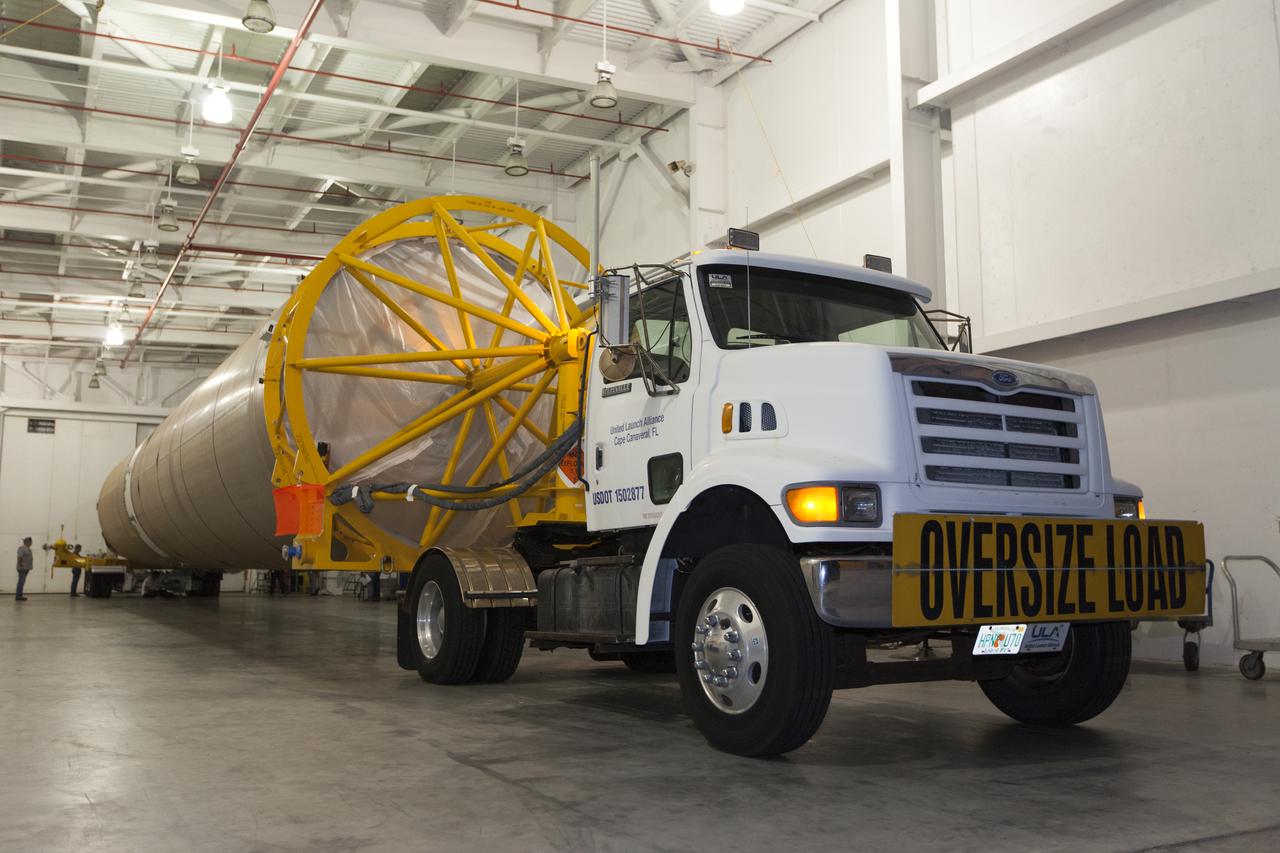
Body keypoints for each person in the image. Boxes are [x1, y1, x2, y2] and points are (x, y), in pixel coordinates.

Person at [15, 537, 33, 602]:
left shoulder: (28, 549)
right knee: (21, 582)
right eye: (30, 541)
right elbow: (20, 557)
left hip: (26, 568)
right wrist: (21, 565)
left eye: (31, 542)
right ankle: (18, 596)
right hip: (22, 568)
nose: (31, 543)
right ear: (26, 542)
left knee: (22, 582)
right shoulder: (22, 548)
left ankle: (20, 595)